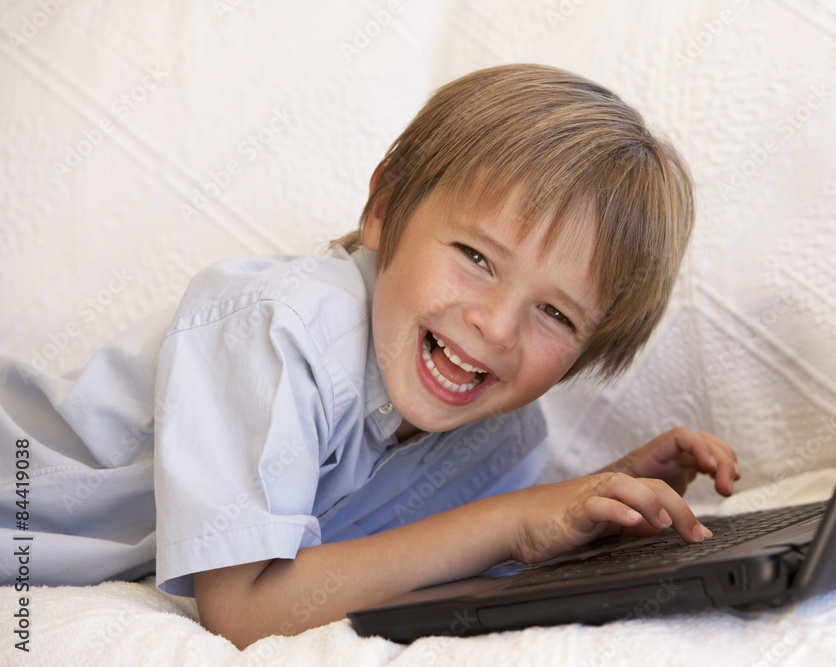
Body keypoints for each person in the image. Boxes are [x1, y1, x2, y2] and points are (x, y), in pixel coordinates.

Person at [0, 64, 739, 648]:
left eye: (555, 313)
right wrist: (513, 521)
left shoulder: (503, 437)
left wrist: (594, 505)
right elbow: (243, 610)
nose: (496, 326)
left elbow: (442, 551)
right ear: (384, 209)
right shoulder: (284, 324)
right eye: (476, 256)